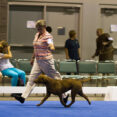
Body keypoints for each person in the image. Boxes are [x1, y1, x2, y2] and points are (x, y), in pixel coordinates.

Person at [15, 20, 69, 104]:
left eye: (39, 28)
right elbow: (35, 47)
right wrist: (32, 58)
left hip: (46, 61)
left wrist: (51, 47)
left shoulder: (48, 36)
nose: (38, 30)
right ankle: (23, 97)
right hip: (37, 60)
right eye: (37, 28)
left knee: (55, 78)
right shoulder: (37, 34)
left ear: (44, 27)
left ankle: (64, 95)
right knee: (32, 78)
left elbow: (51, 45)